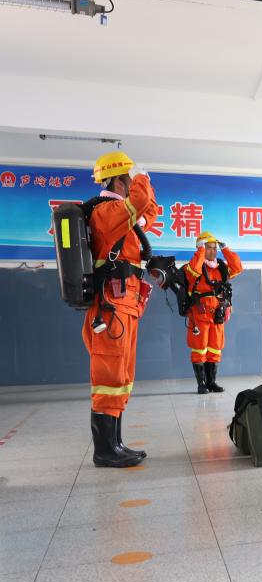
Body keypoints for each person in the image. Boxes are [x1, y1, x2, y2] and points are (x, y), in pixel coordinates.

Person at [82, 151, 157, 467]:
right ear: (118, 180)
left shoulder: (123, 218)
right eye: (129, 178)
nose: (133, 183)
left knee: (122, 376)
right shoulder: (106, 212)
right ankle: (104, 450)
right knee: (109, 377)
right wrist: (141, 179)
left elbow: (149, 212)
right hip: (110, 309)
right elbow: (140, 202)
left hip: (125, 306)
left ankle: (115, 443)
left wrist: (144, 181)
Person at [184, 231, 243, 394]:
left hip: (217, 315)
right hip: (200, 315)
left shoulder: (221, 268)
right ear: (201, 248)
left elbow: (238, 267)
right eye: (208, 248)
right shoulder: (193, 266)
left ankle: (212, 383)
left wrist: (226, 249)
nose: (213, 251)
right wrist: (200, 251)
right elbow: (194, 270)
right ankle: (201, 384)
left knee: (215, 349)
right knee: (199, 349)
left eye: (214, 248)